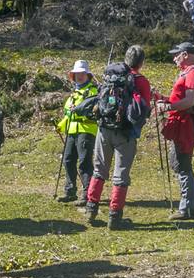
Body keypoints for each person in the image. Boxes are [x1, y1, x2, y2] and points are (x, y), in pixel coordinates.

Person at [84, 46, 154, 229]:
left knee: (99, 170)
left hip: (104, 128)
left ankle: (91, 209)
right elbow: (144, 109)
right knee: (121, 175)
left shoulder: (111, 76)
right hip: (125, 132)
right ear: (141, 62)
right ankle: (115, 217)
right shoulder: (140, 81)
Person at [159, 42, 194, 221]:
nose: (174, 58)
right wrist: (164, 100)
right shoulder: (188, 72)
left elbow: (189, 101)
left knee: (181, 162)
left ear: (186, 54)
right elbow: (181, 99)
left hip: (188, 122)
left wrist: (168, 106)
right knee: (179, 160)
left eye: (177, 54)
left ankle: (187, 207)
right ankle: (193, 201)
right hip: (183, 121)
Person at [56, 60, 98, 203]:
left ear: (88, 75)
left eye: (82, 73)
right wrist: (61, 125)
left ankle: (87, 194)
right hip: (72, 131)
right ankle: (70, 191)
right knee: (68, 159)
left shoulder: (93, 91)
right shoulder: (74, 93)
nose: (79, 76)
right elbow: (69, 115)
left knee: (84, 163)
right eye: (76, 74)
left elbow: (88, 110)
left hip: (86, 130)